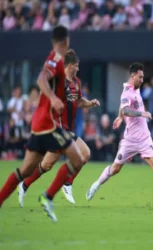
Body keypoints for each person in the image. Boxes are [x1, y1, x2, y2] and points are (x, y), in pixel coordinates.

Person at [0, 26, 85, 232]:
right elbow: (41, 80)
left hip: (39, 126)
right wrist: (54, 98)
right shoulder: (56, 60)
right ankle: (47, 197)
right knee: (79, 159)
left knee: (26, 170)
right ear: (65, 42)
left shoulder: (53, 58)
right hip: (49, 125)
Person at [86, 63, 153, 207]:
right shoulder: (127, 93)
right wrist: (139, 113)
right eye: (140, 77)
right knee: (115, 169)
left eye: (143, 77)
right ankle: (95, 185)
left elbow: (122, 108)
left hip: (144, 138)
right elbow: (126, 109)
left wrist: (119, 117)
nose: (142, 80)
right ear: (133, 76)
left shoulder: (136, 90)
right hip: (129, 140)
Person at [17, 49, 100, 207]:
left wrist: (91, 103)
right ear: (69, 66)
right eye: (76, 65)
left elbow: (79, 101)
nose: (78, 68)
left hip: (68, 131)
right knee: (55, 163)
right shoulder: (59, 82)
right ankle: (33, 184)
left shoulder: (77, 82)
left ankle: (34, 184)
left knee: (74, 157)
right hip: (58, 132)